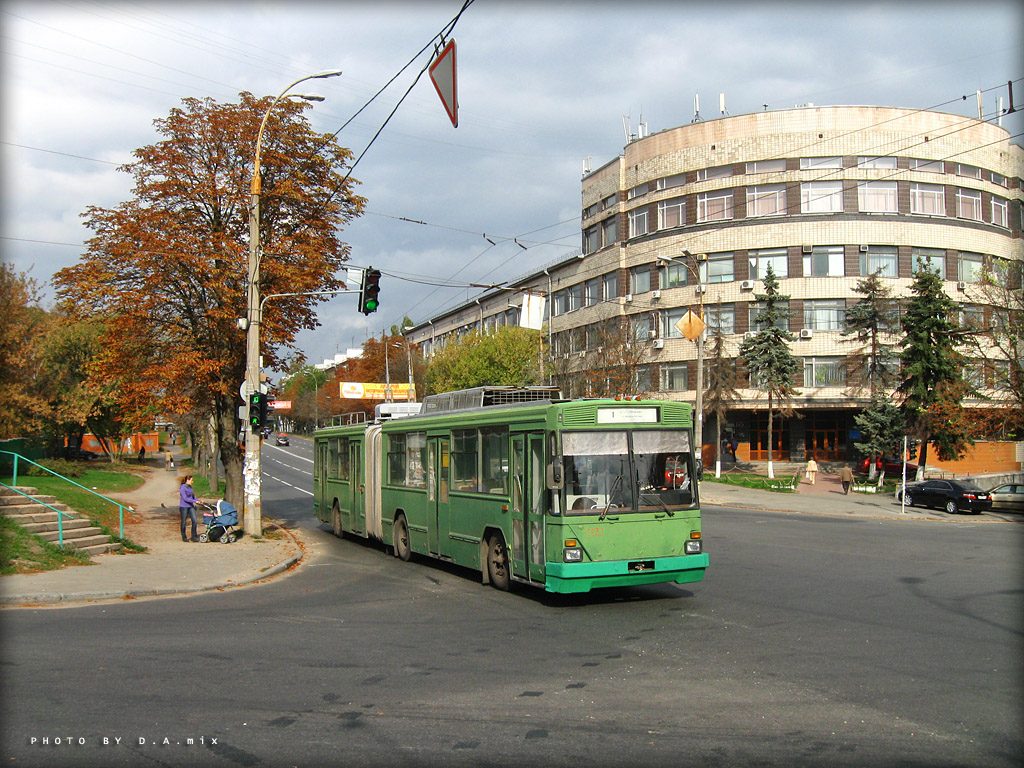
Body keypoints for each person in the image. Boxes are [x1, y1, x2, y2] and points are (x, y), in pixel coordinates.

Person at [178, 474, 200, 542]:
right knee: (184, 522)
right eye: (191, 480)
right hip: (184, 507)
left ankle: (194, 536)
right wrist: (194, 501)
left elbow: (193, 497)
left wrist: (199, 501)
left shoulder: (190, 487)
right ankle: (184, 537)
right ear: (187, 480)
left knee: (194, 521)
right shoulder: (183, 487)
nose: (192, 482)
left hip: (190, 506)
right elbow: (185, 498)